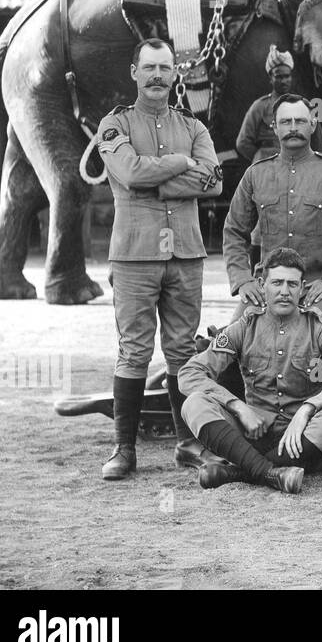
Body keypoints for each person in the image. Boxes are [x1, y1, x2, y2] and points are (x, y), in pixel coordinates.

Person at [95, 37, 223, 480]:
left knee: (183, 352)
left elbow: (213, 182)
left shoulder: (194, 127)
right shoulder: (114, 124)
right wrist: (181, 163)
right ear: (134, 72)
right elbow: (127, 172)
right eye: (148, 68)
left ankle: (188, 444)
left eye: (164, 68)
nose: (156, 76)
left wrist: (158, 177)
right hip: (134, 254)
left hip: (185, 253)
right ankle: (123, 448)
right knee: (133, 351)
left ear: (175, 75)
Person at [179, 248, 322, 494]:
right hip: (254, 432)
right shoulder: (244, 327)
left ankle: (239, 471)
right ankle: (269, 472)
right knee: (194, 403)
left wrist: (308, 410)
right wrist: (237, 406)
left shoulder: (320, 328)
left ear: (303, 288)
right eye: (277, 283)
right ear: (261, 284)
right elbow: (189, 373)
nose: (285, 292)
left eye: (292, 284)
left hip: (301, 438)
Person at [223, 93, 322, 324]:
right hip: (266, 287)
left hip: (315, 286)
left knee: (318, 343)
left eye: (299, 121)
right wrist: (242, 279)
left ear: (312, 125)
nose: (293, 128)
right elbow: (233, 231)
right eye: (285, 122)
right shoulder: (256, 175)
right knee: (233, 347)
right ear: (274, 128)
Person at [234, 46, 322, 163]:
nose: (284, 81)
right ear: (270, 78)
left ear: (291, 77)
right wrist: (261, 157)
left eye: (287, 76)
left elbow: (319, 143)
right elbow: (242, 142)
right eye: (278, 77)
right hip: (268, 170)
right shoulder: (260, 106)